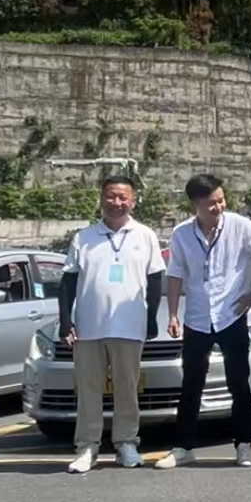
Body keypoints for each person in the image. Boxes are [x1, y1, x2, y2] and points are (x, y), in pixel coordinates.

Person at [156, 174, 251, 469]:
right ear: (196, 204)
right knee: (191, 384)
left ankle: (244, 444)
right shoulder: (181, 234)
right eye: (211, 203)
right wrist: (173, 315)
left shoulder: (240, 226)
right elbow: (176, 273)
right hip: (198, 318)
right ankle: (183, 447)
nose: (218, 207)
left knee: (238, 383)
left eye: (221, 200)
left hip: (232, 315)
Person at [59, 176, 166, 473]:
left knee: (127, 388)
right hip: (89, 327)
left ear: (133, 201)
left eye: (123, 197)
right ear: (102, 198)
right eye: (110, 196)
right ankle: (87, 446)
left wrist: (151, 317)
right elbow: (68, 281)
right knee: (88, 390)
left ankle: (126, 443)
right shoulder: (84, 237)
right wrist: (66, 320)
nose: (116, 202)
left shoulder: (145, 235)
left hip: (129, 326)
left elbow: (155, 278)